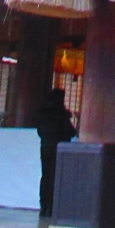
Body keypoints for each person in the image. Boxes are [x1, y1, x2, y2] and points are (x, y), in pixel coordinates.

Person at [35, 88, 76, 218]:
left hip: (45, 147)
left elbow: (40, 132)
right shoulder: (61, 114)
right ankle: (52, 207)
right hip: (59, 148)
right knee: (55, 176)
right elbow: (69, 132)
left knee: (46, 175)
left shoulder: (42, 113)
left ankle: (43, 206)